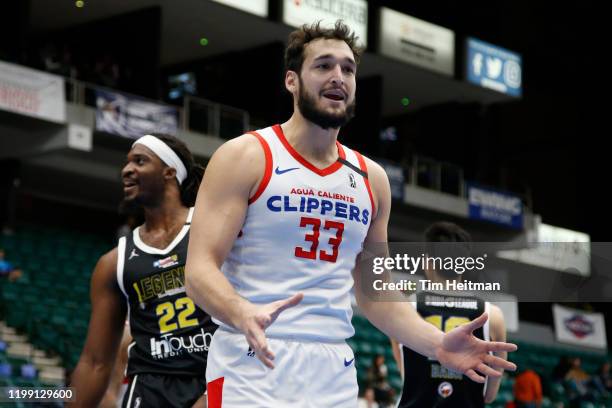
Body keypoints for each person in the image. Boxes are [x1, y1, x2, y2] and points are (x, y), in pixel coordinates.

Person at [185, 21, 517, 407]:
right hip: (252, 356)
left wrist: (437, 344)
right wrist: (241, 312)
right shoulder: (246, 156)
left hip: (332, 367)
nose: (337, 77)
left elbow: (377, 295)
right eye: (323, 66)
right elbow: (199, 270)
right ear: (291, 81)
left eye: (347, 68)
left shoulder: (371, 179)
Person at [69, 134, 217, 408]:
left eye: (140, 161)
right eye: (126, 163)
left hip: (215, 380)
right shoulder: (113, 262)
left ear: (169, 173)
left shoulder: (214, 228)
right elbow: (95, 362)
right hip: (148, 389)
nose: (126, 169)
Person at [390, 222, 508, 407]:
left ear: (427, 262)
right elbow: (490, 395)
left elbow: (407, 377)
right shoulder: (493, 315)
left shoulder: (404, 308)